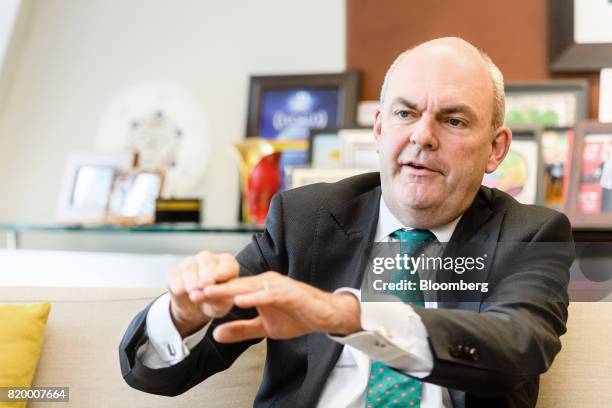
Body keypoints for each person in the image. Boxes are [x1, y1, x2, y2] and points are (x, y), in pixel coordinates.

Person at [119, 37, 574, 408]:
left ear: (495, 149)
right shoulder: (305, 220)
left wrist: (349, 316)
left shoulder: (530, 234)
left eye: (453, 121)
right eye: (405, 113)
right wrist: (183, 314)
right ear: (379, 129)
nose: (422, 136)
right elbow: (159, 374)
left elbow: (516, 345)